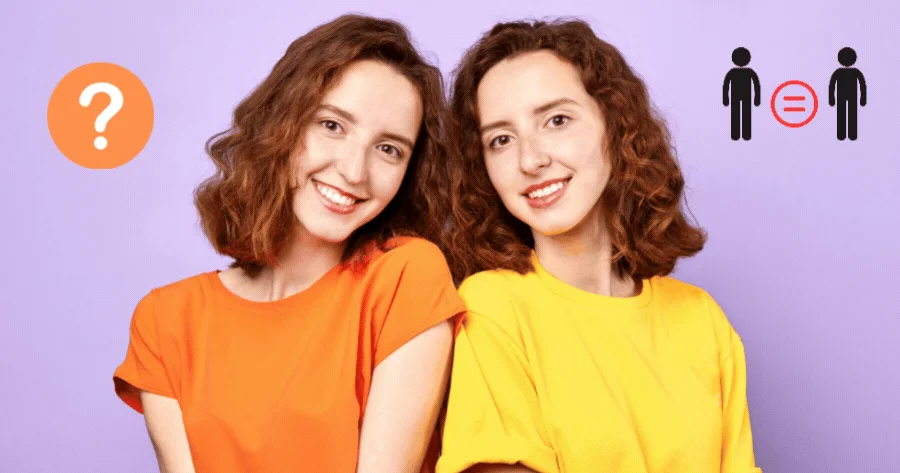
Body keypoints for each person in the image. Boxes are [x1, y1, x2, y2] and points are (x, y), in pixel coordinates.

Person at [113, 14, 465, 473]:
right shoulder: (166, 321)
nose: (354, 171)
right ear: (282, 122)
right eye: (332, 125)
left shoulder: (406, 278)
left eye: (389, 149)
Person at [438, 19, 762, 473]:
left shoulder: (702, 319)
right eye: (501, 140)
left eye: (556, 120)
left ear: (615, 126)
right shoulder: (493, 307)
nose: (530, 159)